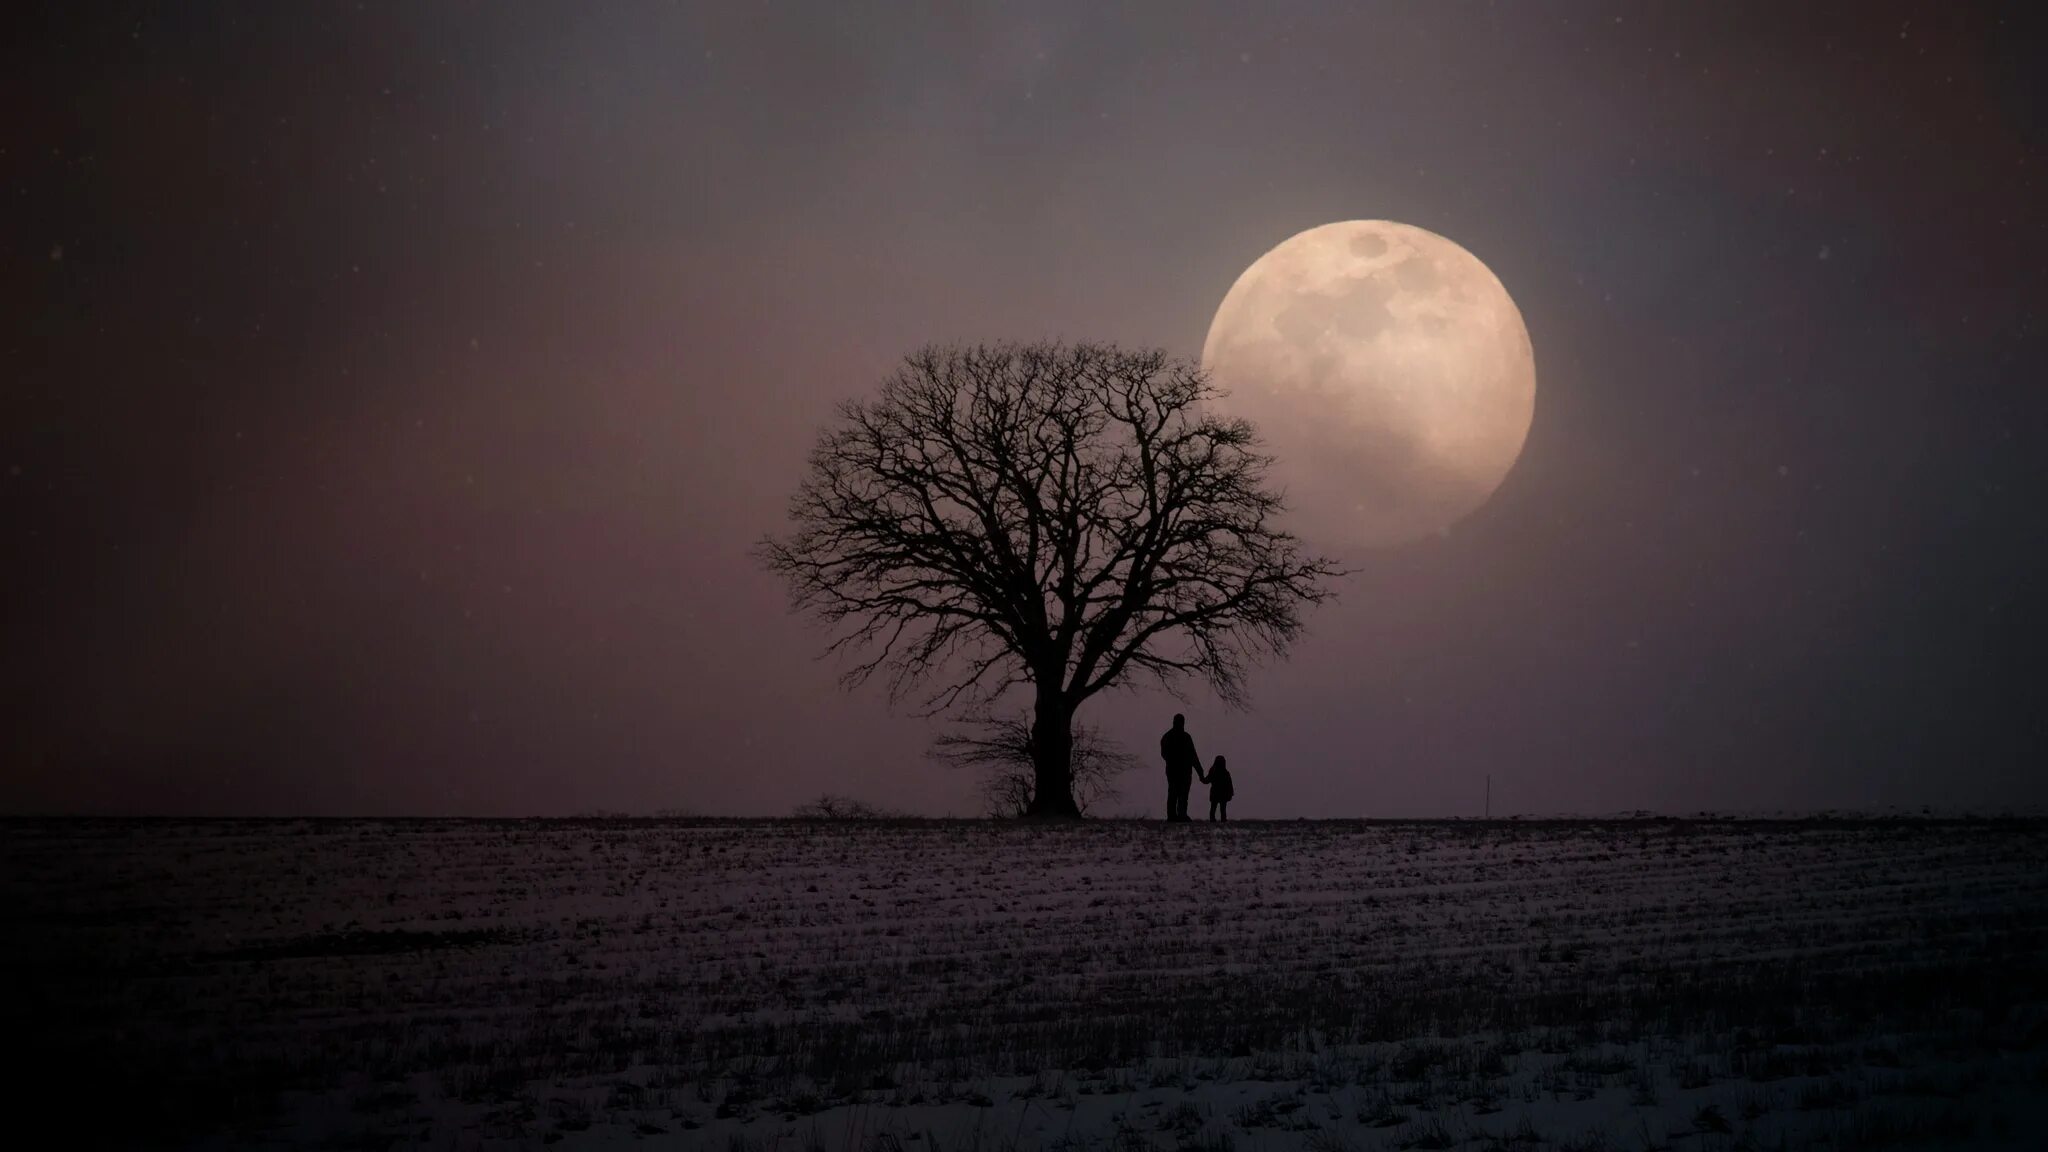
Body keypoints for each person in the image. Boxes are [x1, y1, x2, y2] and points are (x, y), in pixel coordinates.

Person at [1159, 713, 1200, 822]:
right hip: (1182, 771)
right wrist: (1200, 772)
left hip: (1174, 770)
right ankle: (1179, 815)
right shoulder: (1185, 737)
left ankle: (1175, 815)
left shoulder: (1167, 736)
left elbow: (1164, 754)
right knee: (1180, 793)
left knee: (1175, 793)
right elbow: (1193, 756)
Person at [1205, 755, 1234, 822]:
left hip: (1216, 793)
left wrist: (1202, 779)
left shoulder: (1213, 771)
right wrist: (1230, 793)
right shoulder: (1225, 772)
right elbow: (1229, 784)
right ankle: (1221, 820)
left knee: (1214, 808)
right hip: (1222, 794)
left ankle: (1213, 820)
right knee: (1221, 809)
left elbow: (1208, 779)